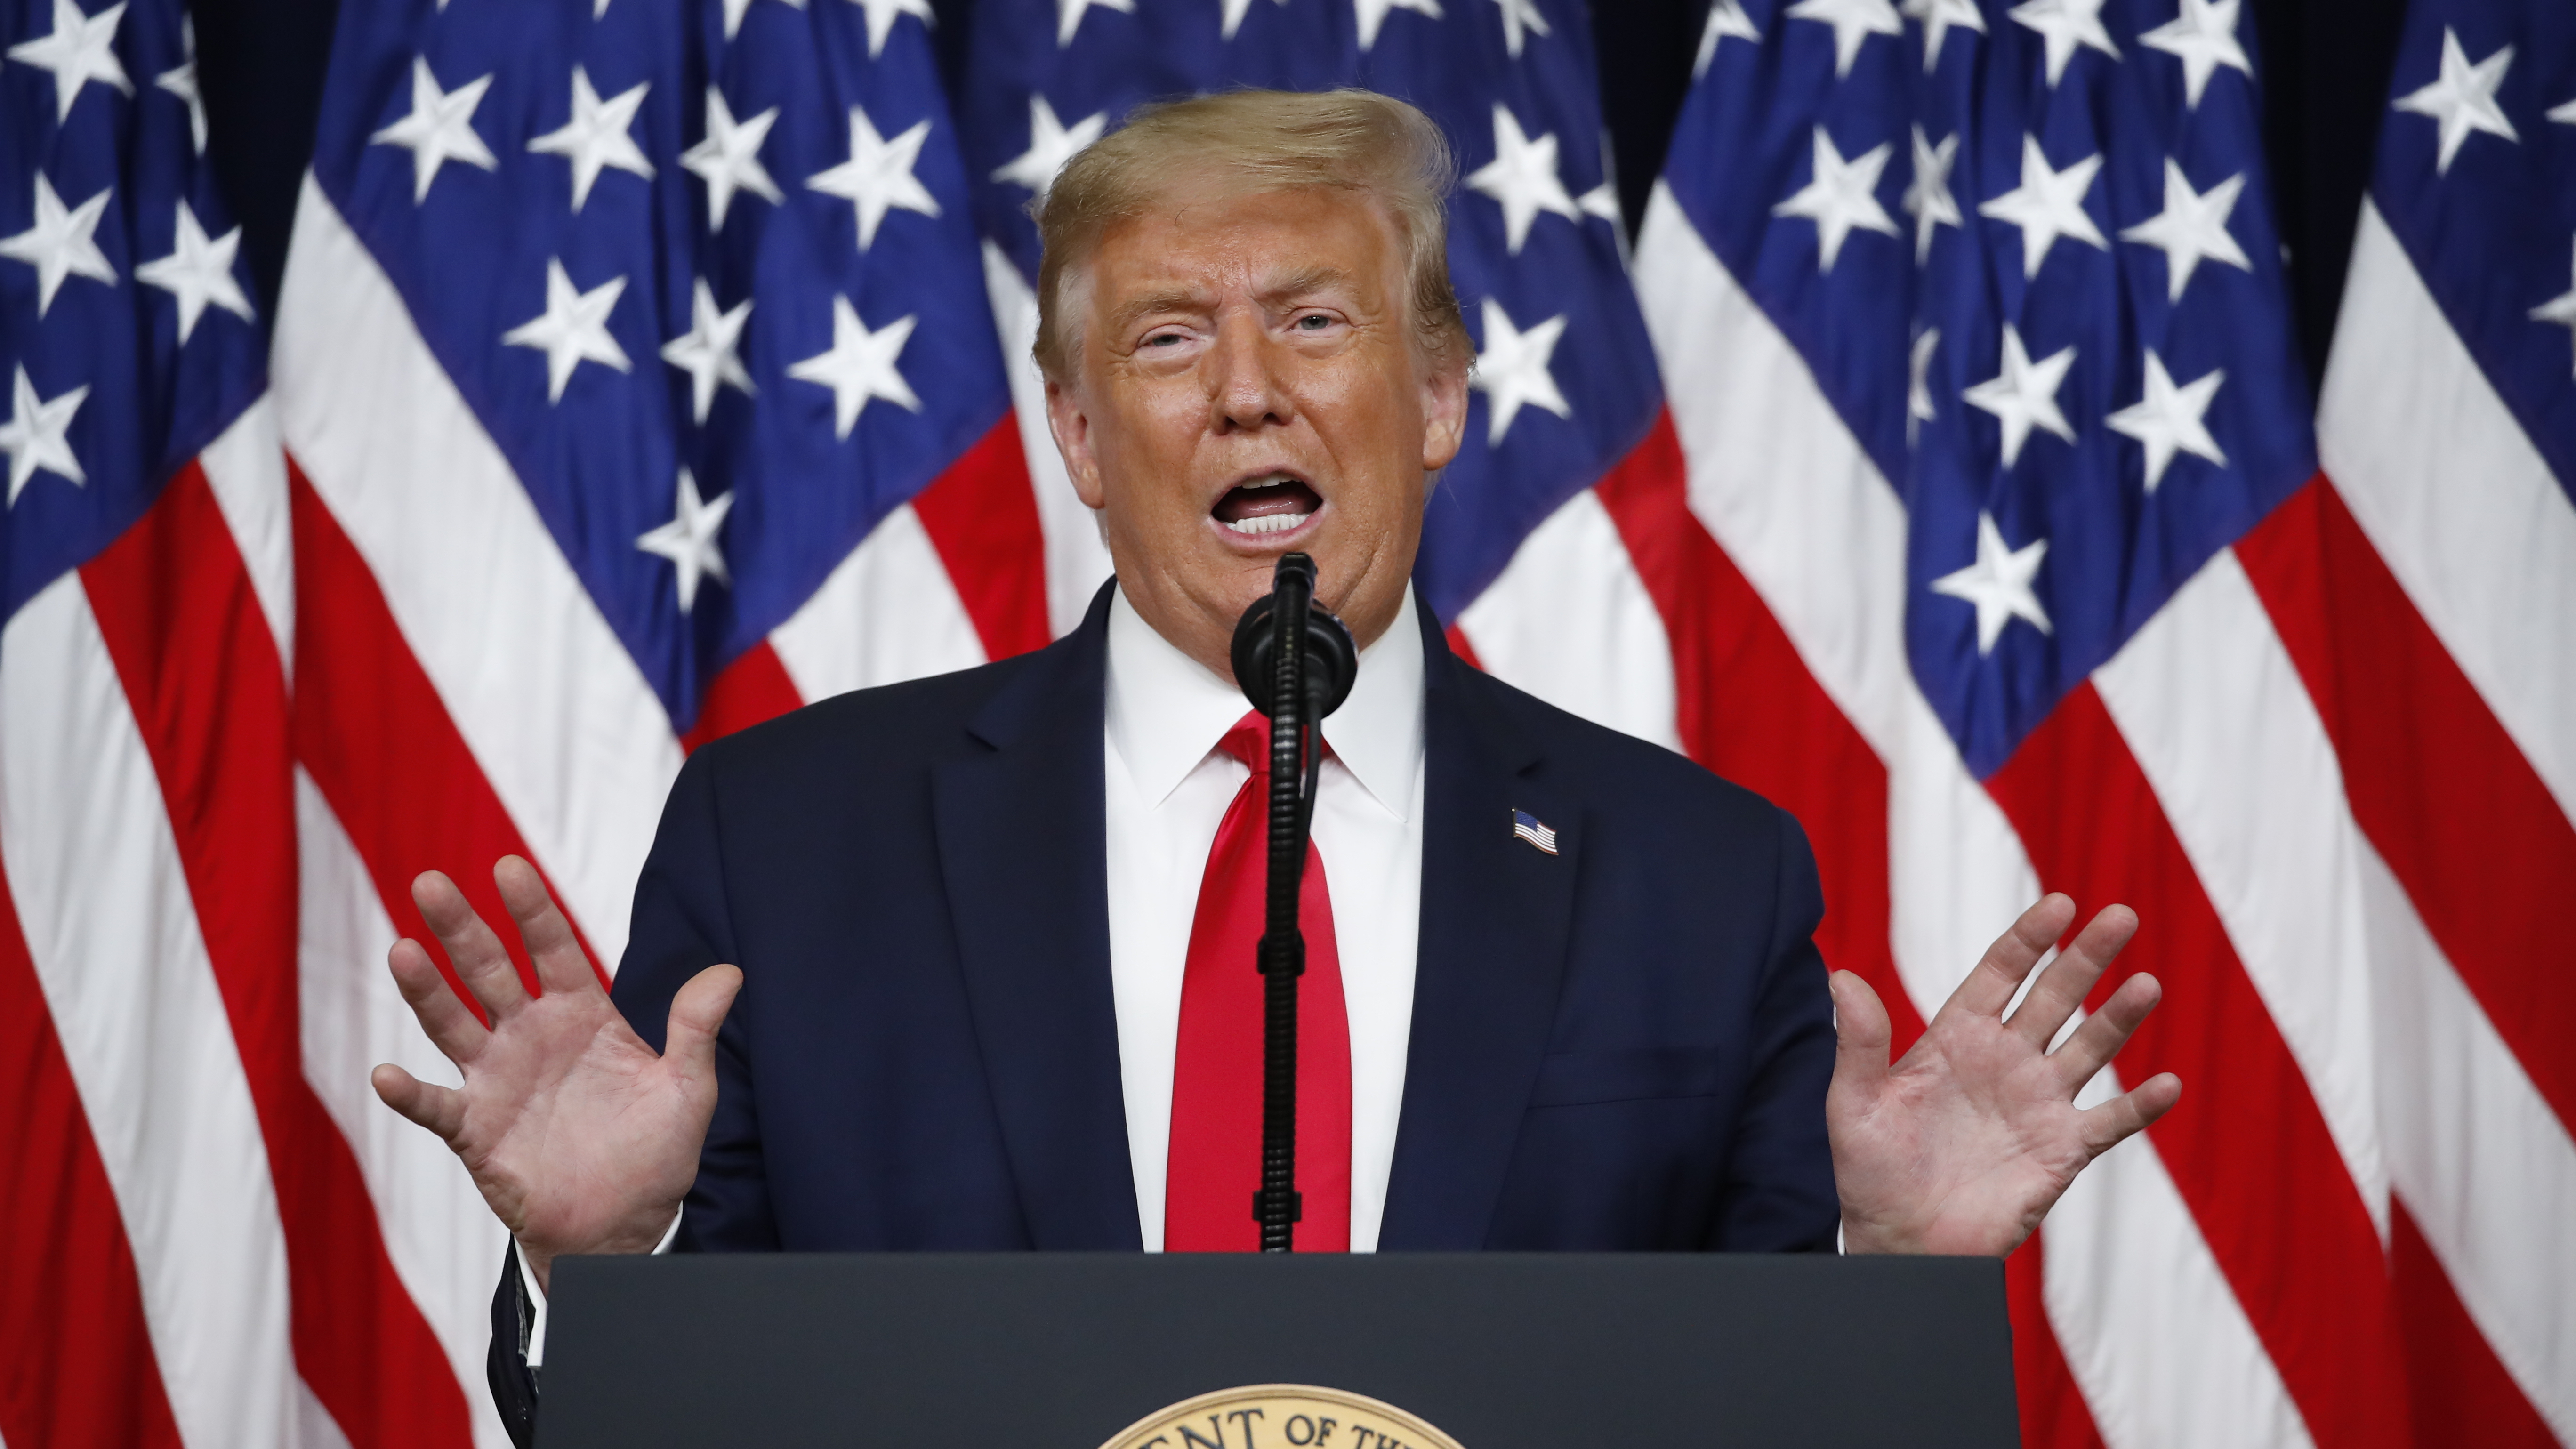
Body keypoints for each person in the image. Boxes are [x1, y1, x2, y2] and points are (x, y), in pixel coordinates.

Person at [366, 89, 2181, 1443]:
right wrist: (612, 1269)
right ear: (1077, 434)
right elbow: (652, 1430)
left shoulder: (1695, 876)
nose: (1247, 392)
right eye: (1167, 342)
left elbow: (1760, 1417)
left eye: (1314, 322)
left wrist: (1892, 1291)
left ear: (1444, 397)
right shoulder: (791, 840)